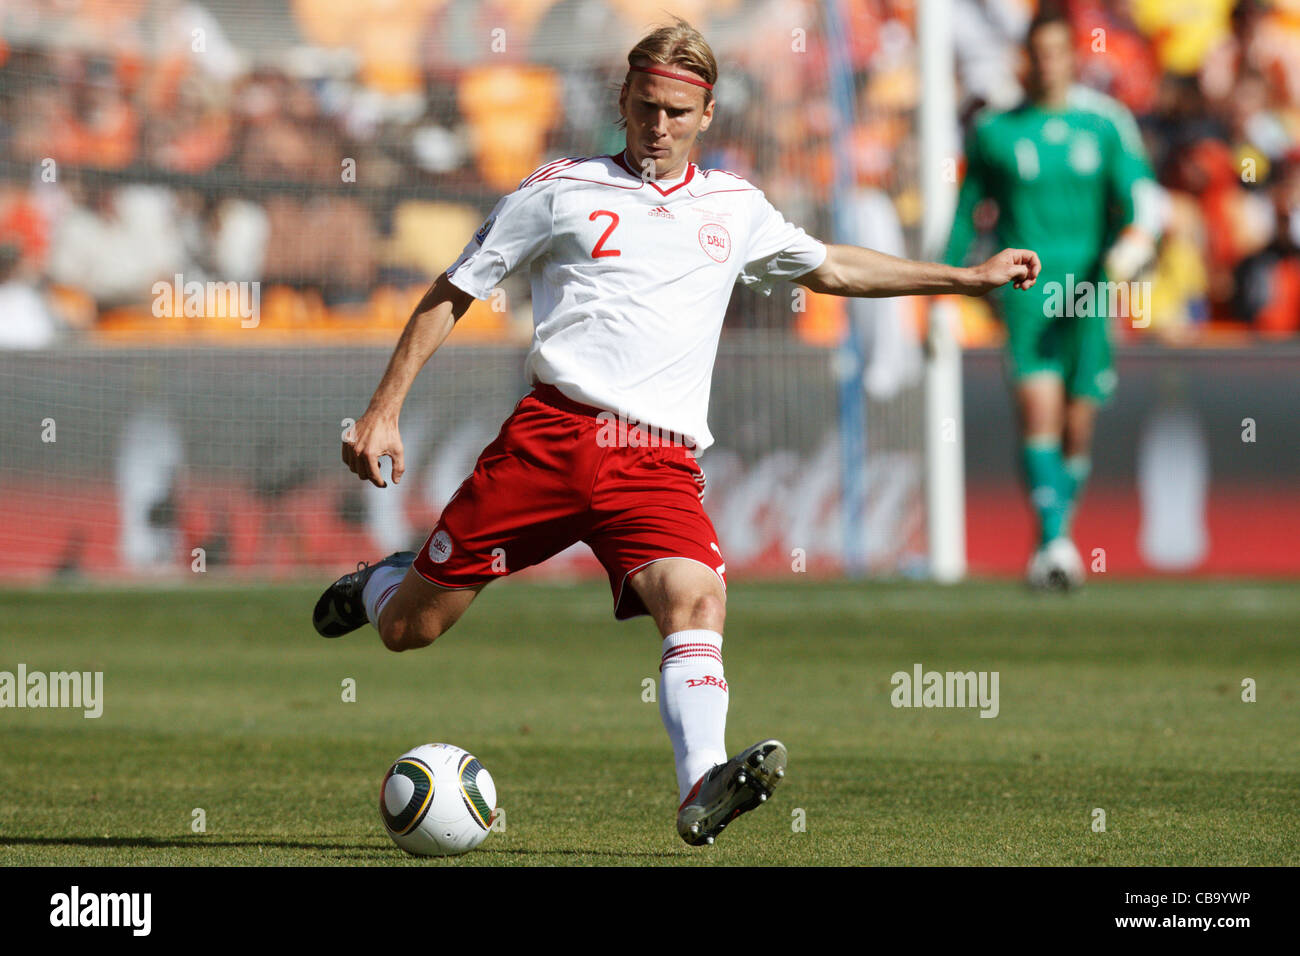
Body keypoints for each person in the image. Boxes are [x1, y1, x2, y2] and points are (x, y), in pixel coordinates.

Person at [313, 18, 1040, 846]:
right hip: (551, 440)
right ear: (623, 100)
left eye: (676, 113)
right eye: (646, 106)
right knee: (413, 629)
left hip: (654, 458)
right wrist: (383, 407)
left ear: (707, 115)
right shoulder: (560, 187)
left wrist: (963, 277)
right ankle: (379, 585)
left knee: (697, 600)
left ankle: (703, 782)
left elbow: (832, 267)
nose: (658, 126)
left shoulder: (734, 207)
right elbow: (454, 290)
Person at [943, 6, 1163, 589]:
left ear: (1073, 57)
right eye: (1036, 55)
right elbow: (966, 216)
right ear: (1025, 61)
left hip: (1091, 291)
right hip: (1027, 290)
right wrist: (940, 285)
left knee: (1078, 425)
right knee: (1039, 412)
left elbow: (1142, 201)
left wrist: (1128, 252)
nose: (1046, 66)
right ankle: (1055, 544)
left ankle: (1055, 538)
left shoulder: (1106, 124)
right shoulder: (994, 131)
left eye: (1057, 53)